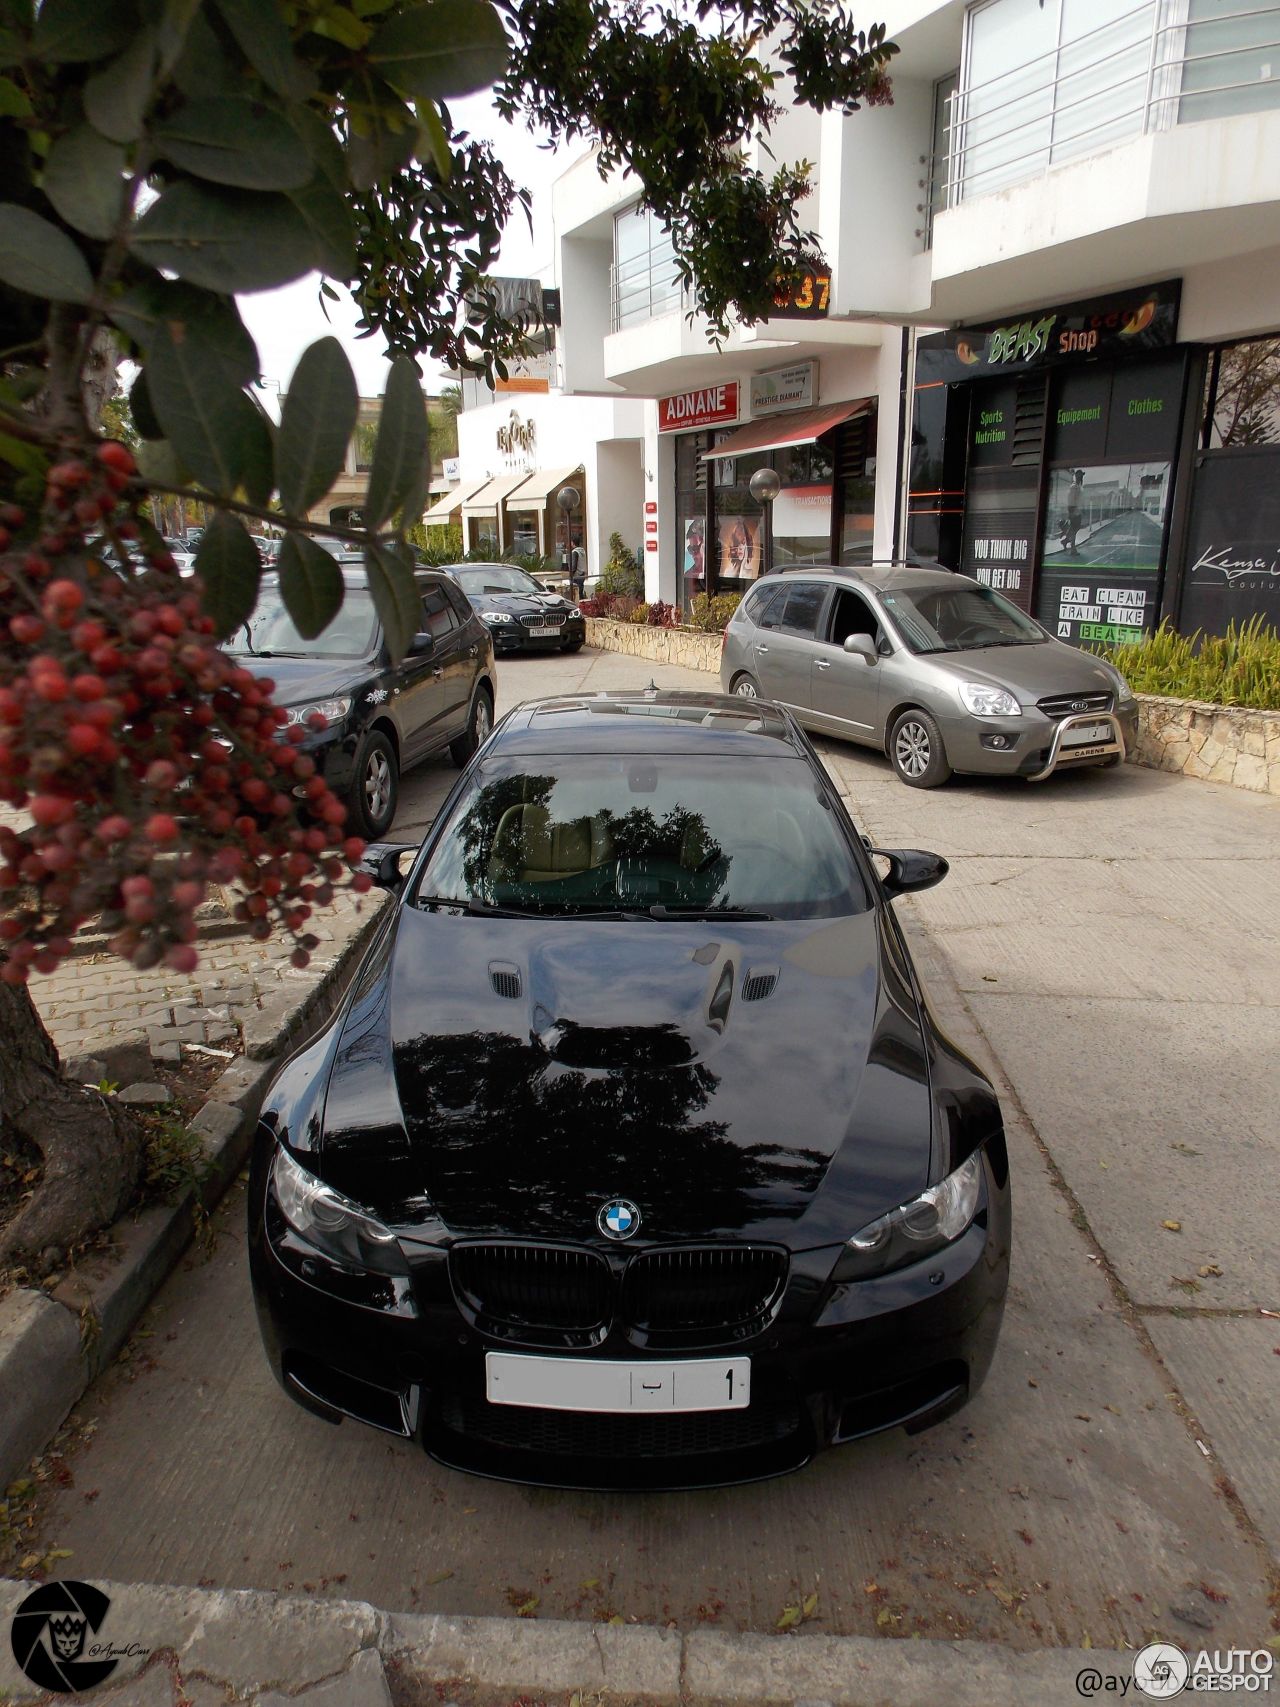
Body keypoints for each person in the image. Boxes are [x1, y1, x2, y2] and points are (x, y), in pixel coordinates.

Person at [1060, 469, 1085, 555]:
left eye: (1082, 476)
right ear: (1077, 476)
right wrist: (1071, 512)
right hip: (1074, 512)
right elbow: (1071, 500)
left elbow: (1079, 500)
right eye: (1080, 476)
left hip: (1078, 511)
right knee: (1074, 530)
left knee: (1075, 529)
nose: (1081, 477)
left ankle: (1065, 541)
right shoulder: (1074, 487)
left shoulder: (1079, 486)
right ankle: (1073, 549)